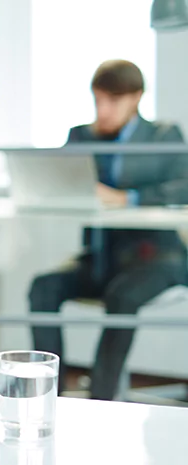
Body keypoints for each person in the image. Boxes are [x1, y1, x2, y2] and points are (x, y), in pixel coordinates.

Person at [30, 60, 188, 400]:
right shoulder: (81, 136)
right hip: (102, 257)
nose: (102, 110)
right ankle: (49, 397)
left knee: (122, 295)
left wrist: (126, 198)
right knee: (43, 289)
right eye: (97, 100)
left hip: (159, 259)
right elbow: (58, 182)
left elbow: (183, 186)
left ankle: (101, 400)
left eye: (112, 101)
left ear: (136, 98)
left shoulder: (164, 135)